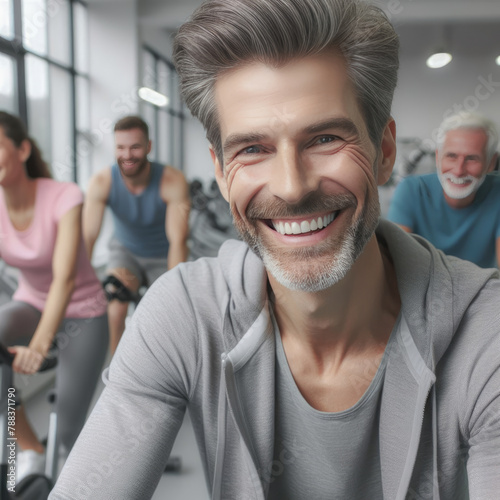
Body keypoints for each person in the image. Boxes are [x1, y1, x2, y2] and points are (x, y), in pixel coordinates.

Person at [51, 1, 500, 499]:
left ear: (385, 152)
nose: (291, 188)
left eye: (325, 138)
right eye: (252, 149)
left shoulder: (486, 331)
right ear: (221, 173)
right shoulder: (185, 315)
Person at [0, 111, 108, 481]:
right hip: (30, 304)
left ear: (23, 149)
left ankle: (66, 467)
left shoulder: (64, 196)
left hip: (83, 310)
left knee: (67, 435)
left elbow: (64, 279)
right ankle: (29, 448)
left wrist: (39, 346)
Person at [83, 115, 190, 353]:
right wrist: (81, 283)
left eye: (135, 147)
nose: (127, 155)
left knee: (162, 317)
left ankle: (156, 369)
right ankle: (116, 371)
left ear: (149, 146)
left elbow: (178, 241)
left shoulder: (172, 181)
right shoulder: (102, 182)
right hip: (126, 252)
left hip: (163, 256)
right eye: (120, 147)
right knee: (116, 304)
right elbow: (88, 237)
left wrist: (173, 291)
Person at [388, 112, 500, 268]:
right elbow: (397, 265)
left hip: (481, 290)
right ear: (438, 157)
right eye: (452, 156)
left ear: (491, 162)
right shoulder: (411, 190)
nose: (459, 170)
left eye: (471, 158)